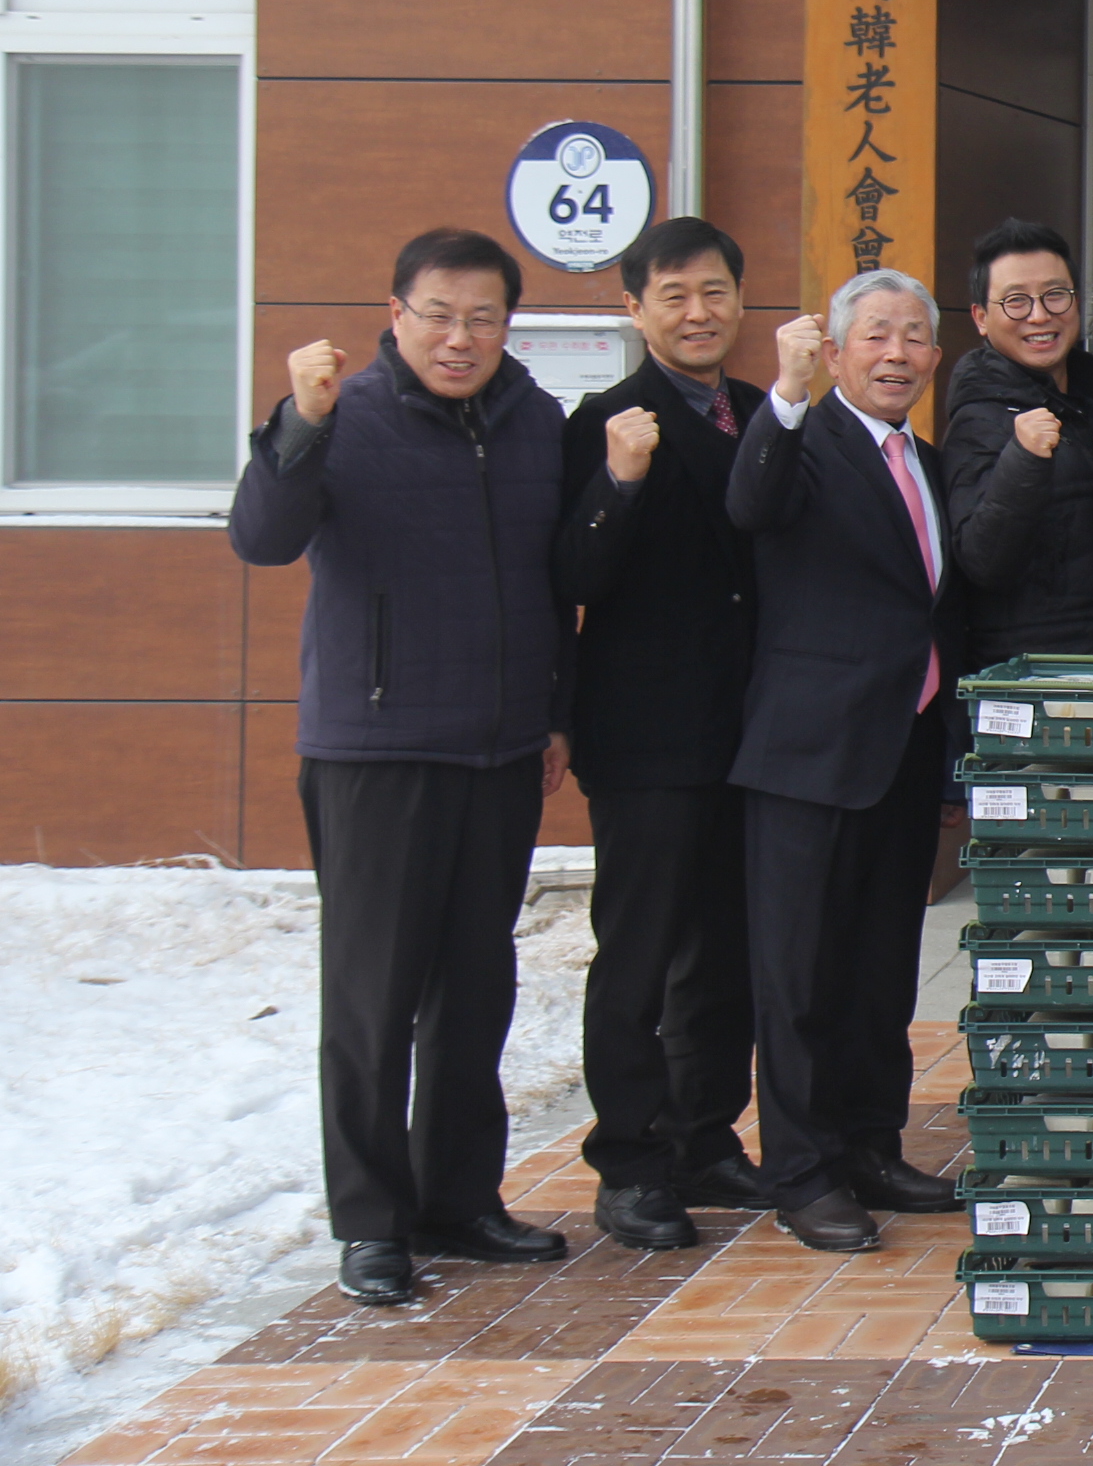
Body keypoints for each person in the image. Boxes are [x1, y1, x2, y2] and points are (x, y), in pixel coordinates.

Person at [228, 227, 573, 1308]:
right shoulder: (344, 417)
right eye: (438, 314)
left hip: (501, 746)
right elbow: (261, 537)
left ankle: (457, 1199)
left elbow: (552, 581)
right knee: (373, 1000)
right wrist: (302, 425)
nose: (460, 337)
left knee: (476, 990)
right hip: (375, 750)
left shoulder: (536, 423)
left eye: (483, 317)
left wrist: (554, 712)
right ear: (396, 314)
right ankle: (371, 1224)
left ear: (509, 325)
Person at [727, 271, 969, 1254]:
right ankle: (803, 1170)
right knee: (799, 974)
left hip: (903, 748)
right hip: (808, 754)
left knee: (880, 970)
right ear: (834, 353)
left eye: (915, 336)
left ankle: (872, 1146)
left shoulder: (928, 460)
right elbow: (751, 502)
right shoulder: (803, 444)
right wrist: (782, 400)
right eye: (875, 336)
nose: (897, 353)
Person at [552, 217, 774, 1254]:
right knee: (638, 954)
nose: (699, 313)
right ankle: (630, 1159)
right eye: (675, 296)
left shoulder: (765, 414)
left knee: (724, 951)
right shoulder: (605, 422)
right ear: (633, 309)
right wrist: (621, 483)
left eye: (716, 292)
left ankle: (704, 1135)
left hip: (750, 730)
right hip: (647, 736)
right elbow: (575, 579)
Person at [942, 218, 1093, 669]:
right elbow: (982, 559)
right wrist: (1023, 460)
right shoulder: (978, 417)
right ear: (980, 317)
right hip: (1037, 679)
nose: (1039, 315)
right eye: (1016, 301)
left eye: (1055, 295)